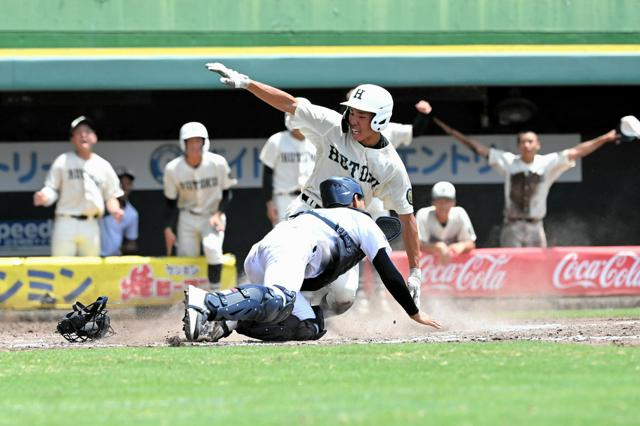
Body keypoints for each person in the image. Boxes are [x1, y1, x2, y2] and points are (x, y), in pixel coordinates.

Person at [206, 62, 423, 314]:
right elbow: (290, 104)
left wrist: (416, 272)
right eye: (352, 112)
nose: (353, 120)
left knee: (343, 298)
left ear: (381, 119)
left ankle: (309, 318)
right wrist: (247, 83)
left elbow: (407, 218)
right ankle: (228, 310)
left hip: (346, 229)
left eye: (362, 116)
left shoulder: (391, 166)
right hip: (308, 212)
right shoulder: (332, 125)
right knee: (287, 283)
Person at [182, 176, 441, 342]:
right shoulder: (362, 220)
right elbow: (389, 272)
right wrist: (414, 312)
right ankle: (206, 301)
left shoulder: (318, 216)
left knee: (310, 326)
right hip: (289, 247)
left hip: (266, 250)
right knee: (279, 299)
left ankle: (225, 322)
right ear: (355, 199)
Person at [433, 117, 619, 247]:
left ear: (538, 144)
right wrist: (450, 131)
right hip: (512, 226)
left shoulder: (547, 163)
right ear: (518, 146)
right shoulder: (509, 161)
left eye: (531, 141)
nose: (527, 145)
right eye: (523, 142)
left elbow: (577, 151)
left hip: (535, 225)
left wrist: (605, 138)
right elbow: (478, 148)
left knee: (538, 269)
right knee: (512, 268)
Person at [34, 116, 124, 256]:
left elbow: (111, 196)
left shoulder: (103, 165)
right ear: (72, 139)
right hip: (66, 222)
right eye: (78, 132)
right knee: (61, 268)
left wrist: (115, 210)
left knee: (90, 270)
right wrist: (44, 197)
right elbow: (51, 188)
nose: (83, 135)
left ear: (94, 137)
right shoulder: (63, 161)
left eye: (87, 131)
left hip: (91, 224)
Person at [163, 122, 237, 290]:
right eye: (190, 141)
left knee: (212, 248)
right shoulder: (173, 168)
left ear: (205, 142)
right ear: (184, 143)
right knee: (187, 259)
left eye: (198, 140)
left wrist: (219, 213)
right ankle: (189, 299)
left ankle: (216, 293)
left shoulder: (217, 163)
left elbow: (227, 192)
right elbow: (170, 201)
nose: (195, 145)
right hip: (187, 216)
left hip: (212, 215)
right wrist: (168, 228)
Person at [260, 99, 316, 225]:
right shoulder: (276, 140)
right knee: (283, 239)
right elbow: (267, 173)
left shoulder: (316, 141)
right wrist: (269, 202)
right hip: (283, 198)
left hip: (310, 198)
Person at [416, 181, 476, 263]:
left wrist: (463, 245)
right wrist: (437, 247)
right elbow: (417, 245)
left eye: (447, 201)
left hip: (454, 266)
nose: (443, 205)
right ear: (433, 202)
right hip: (426, 265)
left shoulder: (460, 213)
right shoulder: (423, 214)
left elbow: (471, 243)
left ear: (453, 202)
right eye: (439, 201)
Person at [99, 166, 139, 256]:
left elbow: (131, 242)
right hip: (92, 255)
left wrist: (121, 248)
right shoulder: (99, 204)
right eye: (120, 183)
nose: (124, 188)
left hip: (114, 259)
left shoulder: (132, 213)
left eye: (128, 184)